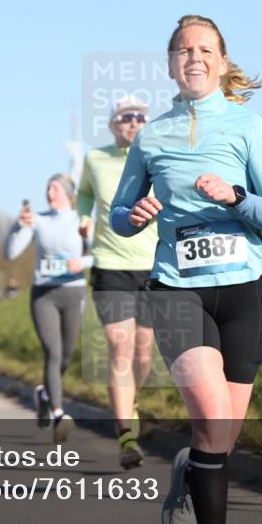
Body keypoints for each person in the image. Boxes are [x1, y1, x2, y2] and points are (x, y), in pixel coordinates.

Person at [110, 15, 262, 524]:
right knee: (212, 418)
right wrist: (135, 216)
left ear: (220, 60)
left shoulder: (247, 125)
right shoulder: (150, 136)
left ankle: (191, 467)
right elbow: (120, 213)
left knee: (221, 439)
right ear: (170, 64)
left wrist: (237, 196)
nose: (193, 56)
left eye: (204, 49)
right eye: (183, 49)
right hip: (175, 289)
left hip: (244, 291)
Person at [77, 94, 158, 470]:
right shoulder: (95, 159)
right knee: (120, 346)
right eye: (125, 117)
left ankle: (131, 400)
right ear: (113, 124)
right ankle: (126, 434)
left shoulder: (157, 159)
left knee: (143, 353)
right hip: (111, 265)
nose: (132, 123)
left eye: (139, 117)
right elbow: (84, 193)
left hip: (153, 265)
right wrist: (82, 217)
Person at [5, 174, 93, 443]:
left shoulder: (82, 220)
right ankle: (58, 414)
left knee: (65, 356)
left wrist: (83, 262)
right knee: (53, 352)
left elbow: (99, 252)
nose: (49, 193)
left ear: (68, 193)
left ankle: (44, 395)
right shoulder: (38, 220)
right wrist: (18, 227)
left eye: (54, 188)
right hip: (44, 293)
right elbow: (10, 253)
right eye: (47, 188)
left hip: (74, 291)